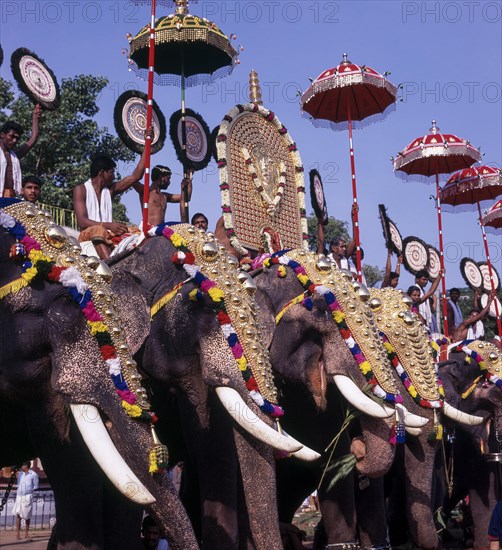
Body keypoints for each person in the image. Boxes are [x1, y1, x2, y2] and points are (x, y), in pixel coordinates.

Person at [73, 131, 151, 259]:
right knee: (99, 230)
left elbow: (136, 176)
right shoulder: (81, 189)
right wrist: (108, 225)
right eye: (112, 172)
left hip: (107, 232)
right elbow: (82, 221)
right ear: (102, 172)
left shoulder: (109, 190)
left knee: (137, 232)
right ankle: (111, 267)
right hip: (88, 234)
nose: (114, 176)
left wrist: (147, 146)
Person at [0, 104, 41, 198]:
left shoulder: (14, 156)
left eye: (17, 138)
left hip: (12, 202)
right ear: (2, 135)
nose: (14, 141)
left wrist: (35, 118)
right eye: (12, 136)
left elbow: (34, 138)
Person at [12, 461, 39, 540]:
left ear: (26, 466)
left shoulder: (34, 475)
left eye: (22, 465)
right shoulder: (20, 474)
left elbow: (36, 486)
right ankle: (17, 534)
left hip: (27, 496)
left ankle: (26, 534)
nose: (21, 467)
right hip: (19, 496)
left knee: (27, 516)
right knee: (18, 515)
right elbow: (18, 484)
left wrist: (28, 491)